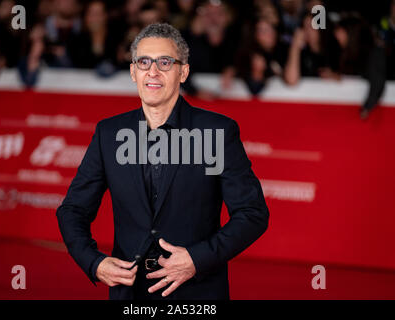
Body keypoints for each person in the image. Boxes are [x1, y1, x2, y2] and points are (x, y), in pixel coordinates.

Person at [56, 23, 269, 300]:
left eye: (165, 62)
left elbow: (252, 213)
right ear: (133, 72)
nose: (152, 71)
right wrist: (94, 262)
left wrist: (198, 259)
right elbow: (72, 210)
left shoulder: (216, 132)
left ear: (183, 72)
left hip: (196, 294)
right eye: (144, 62)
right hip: (129, 294)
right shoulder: (109, 134)